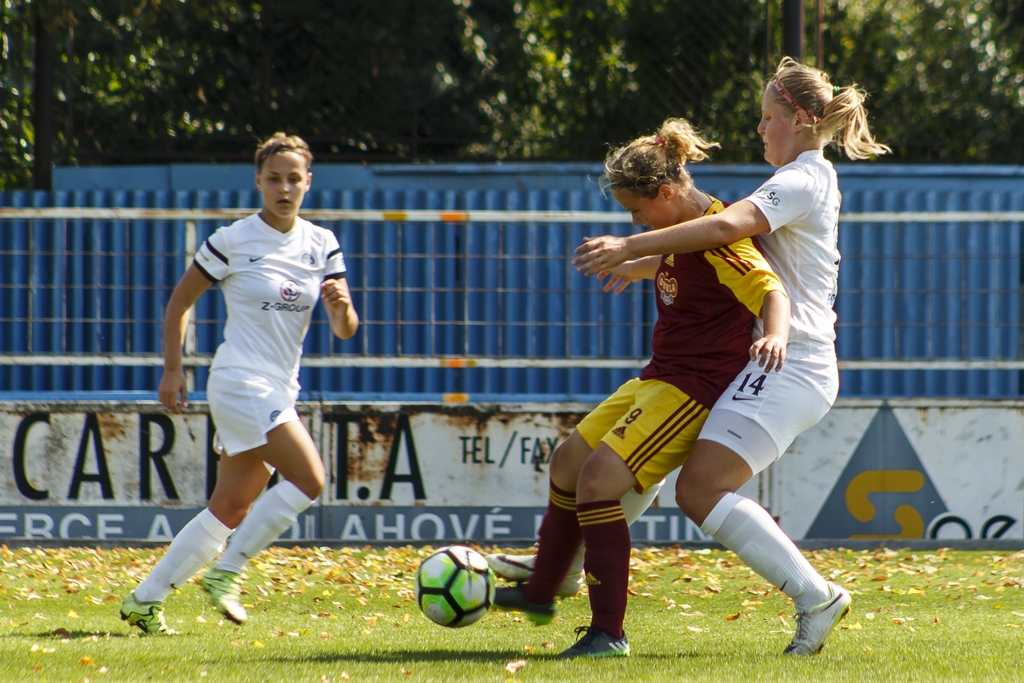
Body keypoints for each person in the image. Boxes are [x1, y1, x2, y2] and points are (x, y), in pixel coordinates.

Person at [572, 57, 890, 655]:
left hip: (791, 363)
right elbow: (718, 261)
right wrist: (647, 265)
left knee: (698, 489)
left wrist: (629, 244)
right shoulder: (803, 177)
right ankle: (569, 568)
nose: (760, 128)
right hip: (778, 361)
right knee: (650, 460)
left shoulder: (801, 179)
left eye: (768, 117)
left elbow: (725, 230)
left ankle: (816, 597)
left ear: (800, 119)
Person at [492, 117, 790, 659]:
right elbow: (690, 269)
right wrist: (645, 267)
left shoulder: (723, 235)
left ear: (666, 193)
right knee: (567, 462)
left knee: (598, 482)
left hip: (692, 390)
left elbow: (771, 290)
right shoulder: (686, 232)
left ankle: (608, 633)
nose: (634, 221)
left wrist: (774, 335)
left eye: (636, 210)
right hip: (658, 377)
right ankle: (541, 591)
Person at [120, 133, 359, 634]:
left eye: (293, 179)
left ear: (308, 182)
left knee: (229, 507)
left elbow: (345, 330)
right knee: (310, 479)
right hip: (240, 381)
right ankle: (226, 572)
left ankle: (145, 599)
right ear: (258, 181)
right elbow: (179, 303)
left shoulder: (322, 243)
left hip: (280, 387)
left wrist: (341, 309)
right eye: (274, 178)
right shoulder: (232, 240)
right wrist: (172, 368)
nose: (284, 188)